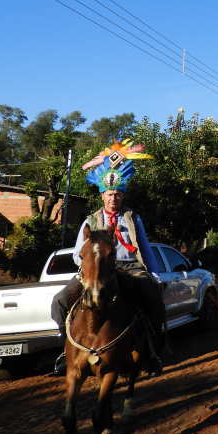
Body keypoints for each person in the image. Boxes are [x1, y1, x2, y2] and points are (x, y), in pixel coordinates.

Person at [51, 140, 165, 377]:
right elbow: (76, 254)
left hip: (131, 268)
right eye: (110, 194)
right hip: (95, 271)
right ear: (103, 196)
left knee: (153, 302)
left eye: (118, 194)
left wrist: (154, 275)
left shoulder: (133, 218)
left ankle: (154, 353)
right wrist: (90, 267)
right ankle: (66, 348)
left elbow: (145, 248)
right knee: (60, 300)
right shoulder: (90, 221)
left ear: (123, 196)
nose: (114, 198)